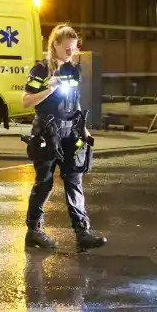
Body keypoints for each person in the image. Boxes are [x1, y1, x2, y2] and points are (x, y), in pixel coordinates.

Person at [21, 24, 107, 252]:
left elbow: (76, 101)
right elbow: (26, 101)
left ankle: (83, 233)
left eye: (74, 48)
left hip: (71, 132)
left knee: (74, 181)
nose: (70, 52)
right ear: (55, 45)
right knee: (44, 183)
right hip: (47, 132)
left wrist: (84, 129)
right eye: (66, 48)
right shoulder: (40, 70)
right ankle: (34, 231)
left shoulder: (73, 71)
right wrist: (48, 90)